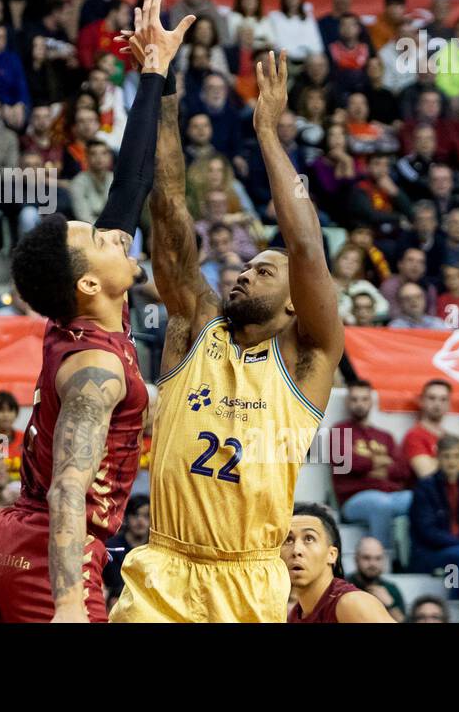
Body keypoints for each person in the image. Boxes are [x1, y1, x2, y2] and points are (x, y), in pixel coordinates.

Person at [0, 0, 181, 623]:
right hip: (46, 555)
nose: (115, 234)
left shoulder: (85, 313)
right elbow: (68, 489)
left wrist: (154, 72)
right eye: (99, 238)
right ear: (87, 284)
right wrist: (70, 602)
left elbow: (130, 184)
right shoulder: (96, 371)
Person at [109, 44, 344, 621]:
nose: (243, 273)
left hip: (250, 576)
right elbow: (167, 210)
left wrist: (266, 132)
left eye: (262, 270)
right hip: (164, 566)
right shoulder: (197, 322)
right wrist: (162, 89)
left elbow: (308, 246)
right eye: (243, 266)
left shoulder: (308, 361)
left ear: (294, 303)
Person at [331, 381, 411, 562]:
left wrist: (368, 466)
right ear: (347, 403)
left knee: (417, 499)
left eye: (364, 399)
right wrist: (381, 462)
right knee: (380, 504)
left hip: (391, 495)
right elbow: (346, 464)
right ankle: (383, 561)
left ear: (371, 402)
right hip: (354, 499)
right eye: (354, 399)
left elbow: (403, 470)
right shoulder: (339, 431)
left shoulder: (385, 436)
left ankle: (413, 559)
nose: (359, 403)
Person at [283, 504, 394, 623]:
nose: (296, 550)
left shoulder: (351, 603)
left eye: (309, 539)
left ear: (332, 555)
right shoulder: (295, 614)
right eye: (288, 540)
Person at [408, 435, 459, 596]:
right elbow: (427, 532)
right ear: (437, 458)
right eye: (446, 456)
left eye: (456, 457)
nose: (451, 462)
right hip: (430, 553)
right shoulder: (425, 487)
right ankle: (455, 605)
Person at [400, 379, 453, 483]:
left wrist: (436, 462)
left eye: (443, 399)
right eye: (432, 398)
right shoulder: (414, 436)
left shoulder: (450, 438)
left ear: (449, 404)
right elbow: (428, 474)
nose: (437, 404)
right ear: (421, 401)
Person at [348, 536, 407, 622]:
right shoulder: (342, 586)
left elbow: (402, 621)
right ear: (356, 559)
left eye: (378, 558)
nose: (373, 564)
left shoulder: (391, 589)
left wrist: (390, 604)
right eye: (366, 558)